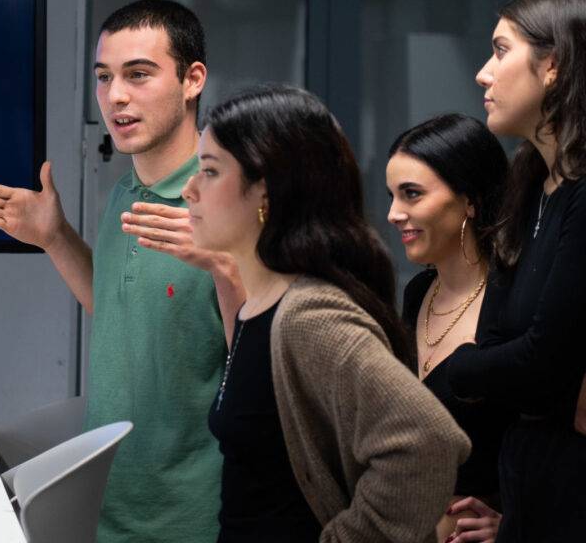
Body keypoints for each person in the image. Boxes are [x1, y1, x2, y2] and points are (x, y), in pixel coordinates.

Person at [134, 83, 469, 542]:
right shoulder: (259, 306)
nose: (190, 190)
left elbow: (428, 443)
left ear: (266, 191)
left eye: (209, 171)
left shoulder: (310, 317)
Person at [0, 0, 230, 543]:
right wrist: (55, 237)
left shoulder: (226, 202)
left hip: (191, 522)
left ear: (193, 80)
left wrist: (225, 262)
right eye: (104, 77)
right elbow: (115, 309)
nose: (116, 96)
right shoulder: (124, 196)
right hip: (110, 510)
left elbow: (270, 362)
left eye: (139, 74)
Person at [444, 0, 586, 541]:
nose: (483, 74)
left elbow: (541, 363)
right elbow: (503, 342)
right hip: (532, 496)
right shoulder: (529, 185)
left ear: (553, 67)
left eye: (501, 51)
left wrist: (461, 368)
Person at [386, 114, 511, 543]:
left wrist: (514, 525)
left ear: (469, 200)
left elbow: (552, 442)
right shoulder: (418, 292)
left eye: (411, 194)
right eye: (392, 196)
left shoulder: (511, 299)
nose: (393, 213)